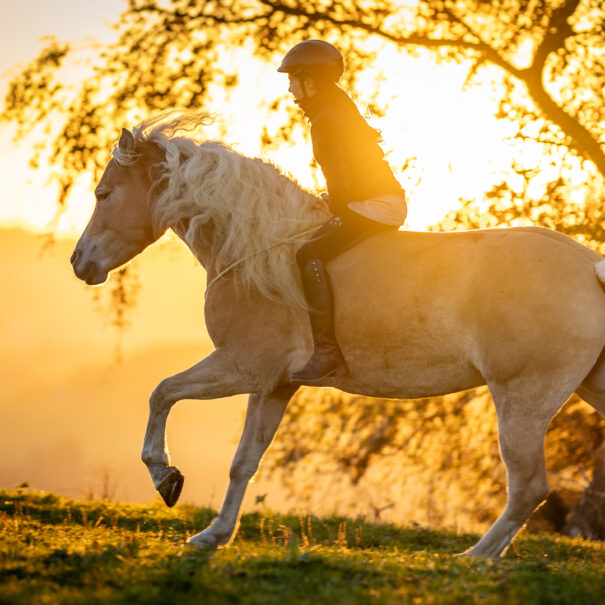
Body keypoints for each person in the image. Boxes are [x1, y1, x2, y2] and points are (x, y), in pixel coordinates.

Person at [278, 40, 407, 385]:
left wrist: (334, 206)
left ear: (310, 80)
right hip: (378, 200)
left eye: (293, 80)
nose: (290, 88)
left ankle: (327, 354)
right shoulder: (337, 107)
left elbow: (341, 181)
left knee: (308, 254)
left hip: (374, 206)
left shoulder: (324, 120)